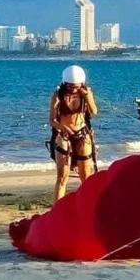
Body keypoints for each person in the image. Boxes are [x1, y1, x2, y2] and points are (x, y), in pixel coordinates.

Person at [49, 65, 98, 201]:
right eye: (70, 86)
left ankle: (88, 204)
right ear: (65, 83)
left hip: (82, 134)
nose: (73, 89)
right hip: (63, 135)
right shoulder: (58, 95)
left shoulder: (86, 93)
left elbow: (94, 111)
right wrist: (62, 128)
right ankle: (58, 209)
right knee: (62, 176)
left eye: (76, 86)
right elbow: (52, 120)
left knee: (85, 176)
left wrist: (87, 96)